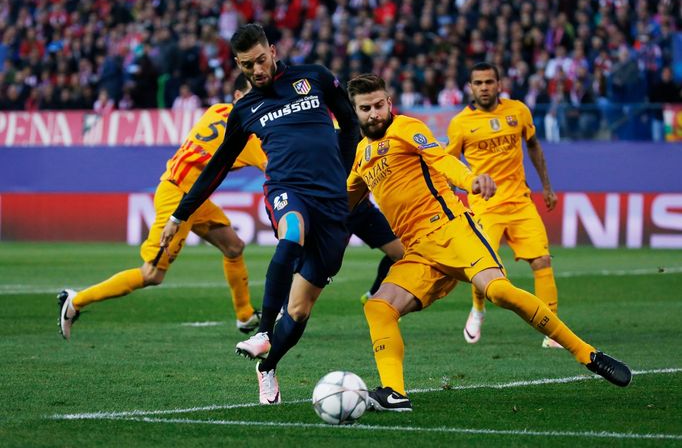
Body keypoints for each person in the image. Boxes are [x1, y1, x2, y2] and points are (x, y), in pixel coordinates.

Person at [346, 73, 631, 412]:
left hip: (452, 231)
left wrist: (471, 180)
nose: (374, 113)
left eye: (379, 105)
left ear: (389, 103)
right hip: (418, 252)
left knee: (499, 292)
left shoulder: (407, 129)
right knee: (378, 307)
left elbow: (444, 160)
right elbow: (342, 201)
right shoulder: (362, 155)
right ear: (356, 112)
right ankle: (394, 392)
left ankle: (588, 354)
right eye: (366, 108)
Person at [160, 24, 360, 405]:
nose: (256, 70)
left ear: (273, 49)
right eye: (246, 65)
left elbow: (349, 123)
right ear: (238, 64)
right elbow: (217, 166)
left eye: (261, 60)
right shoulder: (245, 108)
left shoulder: (314, 77)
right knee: (291, 233)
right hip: (287, 189)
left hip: (332, 200)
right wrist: (179, 214)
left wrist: (343, 170)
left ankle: (268, 366)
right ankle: (263, 329)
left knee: (299, 311)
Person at [58, 74, 266, 340]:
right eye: (254, 95)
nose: (260, 101)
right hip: (178, 196)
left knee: (233, 246)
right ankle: (75, 301)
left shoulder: (216, 111)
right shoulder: (248, 135)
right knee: (152, 274)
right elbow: (274, 167)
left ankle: (245, 314)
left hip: (191, 195)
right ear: (238, 97)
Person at [446, 62, 562, 348]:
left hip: (520, 201)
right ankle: (478, 309)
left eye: (489, 82)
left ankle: (553, 331)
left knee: (542, 261)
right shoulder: (460, 123)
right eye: (478, 83)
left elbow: (533, 145)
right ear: (471, 87)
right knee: (483, 264)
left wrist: (546, 186)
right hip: (485, 205)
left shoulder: (519, 111)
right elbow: (447, 164)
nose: (484, 87)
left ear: (499, 84)